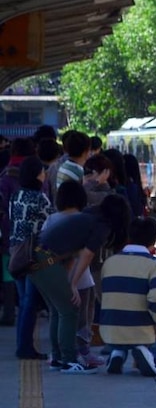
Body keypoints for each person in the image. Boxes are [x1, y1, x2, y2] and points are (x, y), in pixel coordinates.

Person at [29, 194, 131, 374]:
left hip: (38, 257)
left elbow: (71, 254)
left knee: (58, 310)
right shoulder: (102, 226)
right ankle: (68, 361)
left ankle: (58, 358)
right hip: (46, 260)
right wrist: (73, 285)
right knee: (69, 310)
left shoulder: (89, 216)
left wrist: (68, 282)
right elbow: (86, 255)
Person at [99, 217, 156, 376]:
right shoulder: (155, 265)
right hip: (140, 330)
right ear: (154, 240)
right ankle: (144, 353)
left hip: (110, 330)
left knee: (123, 338)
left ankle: (118, 353)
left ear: (129, 237)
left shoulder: (110, 262)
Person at [40, 180, 100, 367]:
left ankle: (56, 354)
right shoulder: (83, 220)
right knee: (80, 319)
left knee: (56, 315)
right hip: (80, 278)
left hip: (53, 277)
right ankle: (78, 354)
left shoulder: (51, 219)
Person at [8, 155, 55, 360]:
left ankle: (23, 344)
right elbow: (51, 223)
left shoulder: (16, 195)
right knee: (29, 303)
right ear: (37, 175)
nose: (45, 175)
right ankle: (25, 348)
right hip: (33, 256)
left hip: (16, 253)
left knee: (25, 302)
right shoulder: (40, 198)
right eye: (43, 172)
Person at [0, 137, 36, 327]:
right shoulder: (36, 173)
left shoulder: (5, 176)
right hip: (34, 239)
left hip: (9, 235)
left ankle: (9, 312)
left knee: (9, 274)